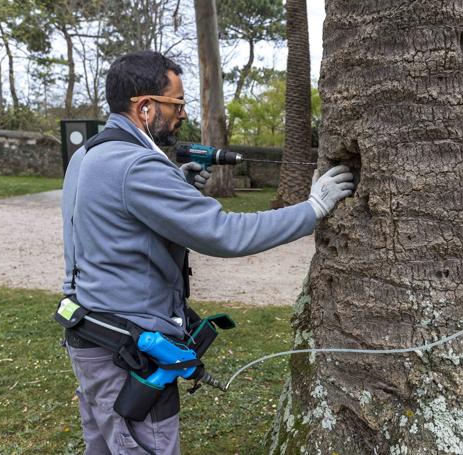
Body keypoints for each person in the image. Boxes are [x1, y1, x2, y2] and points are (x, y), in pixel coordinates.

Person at [61, 50, 353, 455]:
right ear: (145, 107)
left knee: (106, 446)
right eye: (176, 104)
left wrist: (176, 188)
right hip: (130, 357)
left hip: (90, 338)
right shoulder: (136, 166)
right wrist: (313, 209)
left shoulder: (87, 155)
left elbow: (110, 223)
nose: (182, 114)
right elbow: (223, 234)